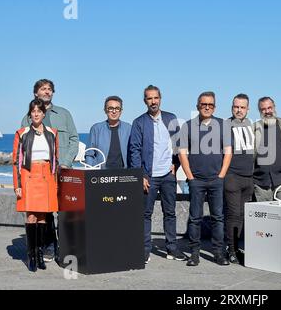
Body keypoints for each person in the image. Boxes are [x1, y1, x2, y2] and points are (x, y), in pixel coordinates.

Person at [21, 79, 78, 262]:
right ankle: (48, 247)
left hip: (63, 171)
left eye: (49, 89)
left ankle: (68, 247)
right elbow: (23, 151)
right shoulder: (28, 118)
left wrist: (66, 162)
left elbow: (74, 139)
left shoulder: (64, 114)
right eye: (42, 89)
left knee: (65, 210)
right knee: (44, 211)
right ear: (35, 94)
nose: (47, 92)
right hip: (40, 175)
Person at [128, 85, 186, 264]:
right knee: (145, 214)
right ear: (145, 101)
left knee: (170, 213)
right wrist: (141, 176)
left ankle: (172, 249)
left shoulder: (171, 118)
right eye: (149, 98)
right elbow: (134, 150)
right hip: (149, 176)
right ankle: (144, 251)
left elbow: (179, 145)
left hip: (168, 176)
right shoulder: (139, 122)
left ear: (160, 99)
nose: (153, 101)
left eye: (155, 98)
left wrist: (176, 164)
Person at [178, 91, 232, 266]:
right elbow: (182, 153)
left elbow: (228, 152)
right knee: (195, 218)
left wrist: (221, 175)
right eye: (203, 104)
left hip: (216, 179)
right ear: (198, 106)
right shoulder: (187, 126)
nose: (207, 107)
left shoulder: (223, 125)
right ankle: (194, 254)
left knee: (218, 217)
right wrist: (190, 178)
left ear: (214, 107)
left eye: (210, 104)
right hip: (197, 181)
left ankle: (218, 253)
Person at [13, 99, 59, 272]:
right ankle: (31, 256)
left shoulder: (53, 133)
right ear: (30, 114)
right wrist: (17, 184)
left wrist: (55, 184)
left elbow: (56, 159)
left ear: (44, 114)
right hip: (29, 177)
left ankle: (40, 255)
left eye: (39, 111)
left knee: (43, 217)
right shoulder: (21, 133)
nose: (36, 113)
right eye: (33, 111)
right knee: (31, 216)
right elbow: (16, 160)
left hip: (46, 177)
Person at [224, 94, 255, 264]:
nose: (239, 110)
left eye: (242, 107)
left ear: (247, 109)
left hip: (248, 178)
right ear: (232, 107)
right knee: (234, 214)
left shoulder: (251, 125)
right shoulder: (225, 125)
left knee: (243, 215)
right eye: (236, 107)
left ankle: (236, 247)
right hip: (232, 177)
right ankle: (231, 248)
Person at [253, 97, 281, 201]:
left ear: (274, 107)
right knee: (263, 216)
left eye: (269, 108)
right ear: (259, 111)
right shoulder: (254, 128)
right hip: (261, 183)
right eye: (263, 109)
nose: (267, 111)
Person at [85, 96, 131, 169]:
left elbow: (134, 152)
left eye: (117, 108)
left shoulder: (129, 128)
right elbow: (89, 154)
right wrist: (91, 170)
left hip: (124, 174)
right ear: (105, 110)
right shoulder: (96, 129)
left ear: (121, 111)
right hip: (101, 174)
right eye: (110, 108)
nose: (114, 111)